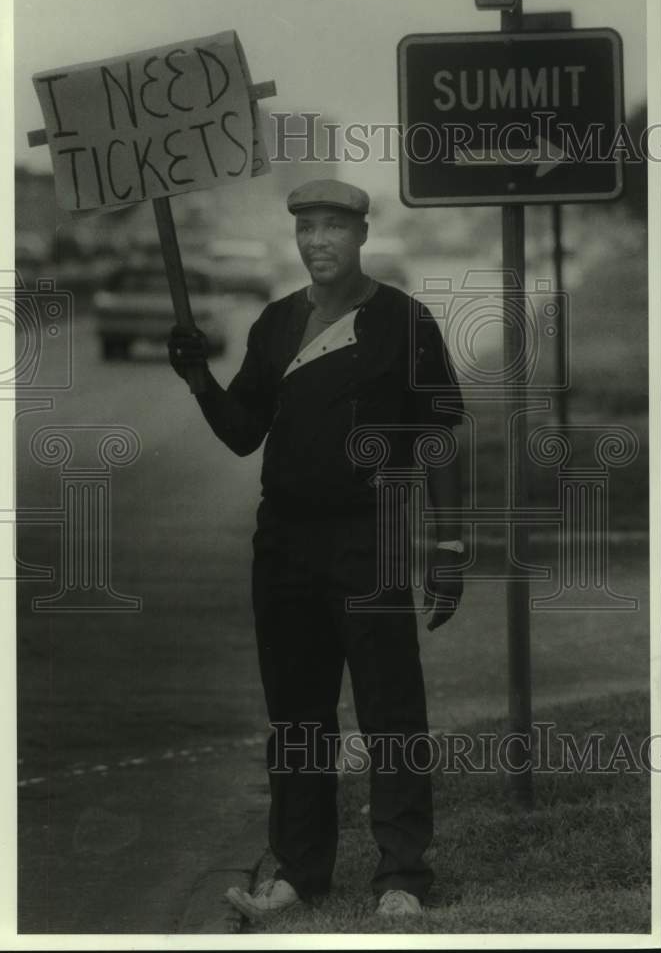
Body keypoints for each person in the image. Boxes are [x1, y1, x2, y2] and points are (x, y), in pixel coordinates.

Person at [168, 178, 465, 920]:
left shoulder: (404, 320)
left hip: (372, 537)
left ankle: (402, 877)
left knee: (390, 711)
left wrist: (452, 543)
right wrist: (199, 377)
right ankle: (300, 872)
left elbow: (438, 439)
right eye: (306, 228)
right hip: (286, 544)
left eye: (334, 227)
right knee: (296, 716)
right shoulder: (276, 322)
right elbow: (243, 434)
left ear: (361, 234)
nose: (318, 241)